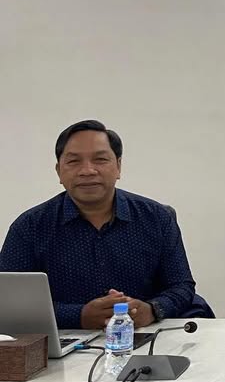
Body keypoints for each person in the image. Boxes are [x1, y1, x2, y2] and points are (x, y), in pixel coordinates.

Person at [0, 120, 199, 329]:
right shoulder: (30, 227)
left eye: (100, 159)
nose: (87, 170)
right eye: (74, 161)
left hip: (145, 335)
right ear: (59, 171)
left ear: (118, 167)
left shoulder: (156, 218)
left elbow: (181, 286)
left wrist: (151, 310)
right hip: (64, 341)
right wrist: (78, 316)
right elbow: (7, 301)